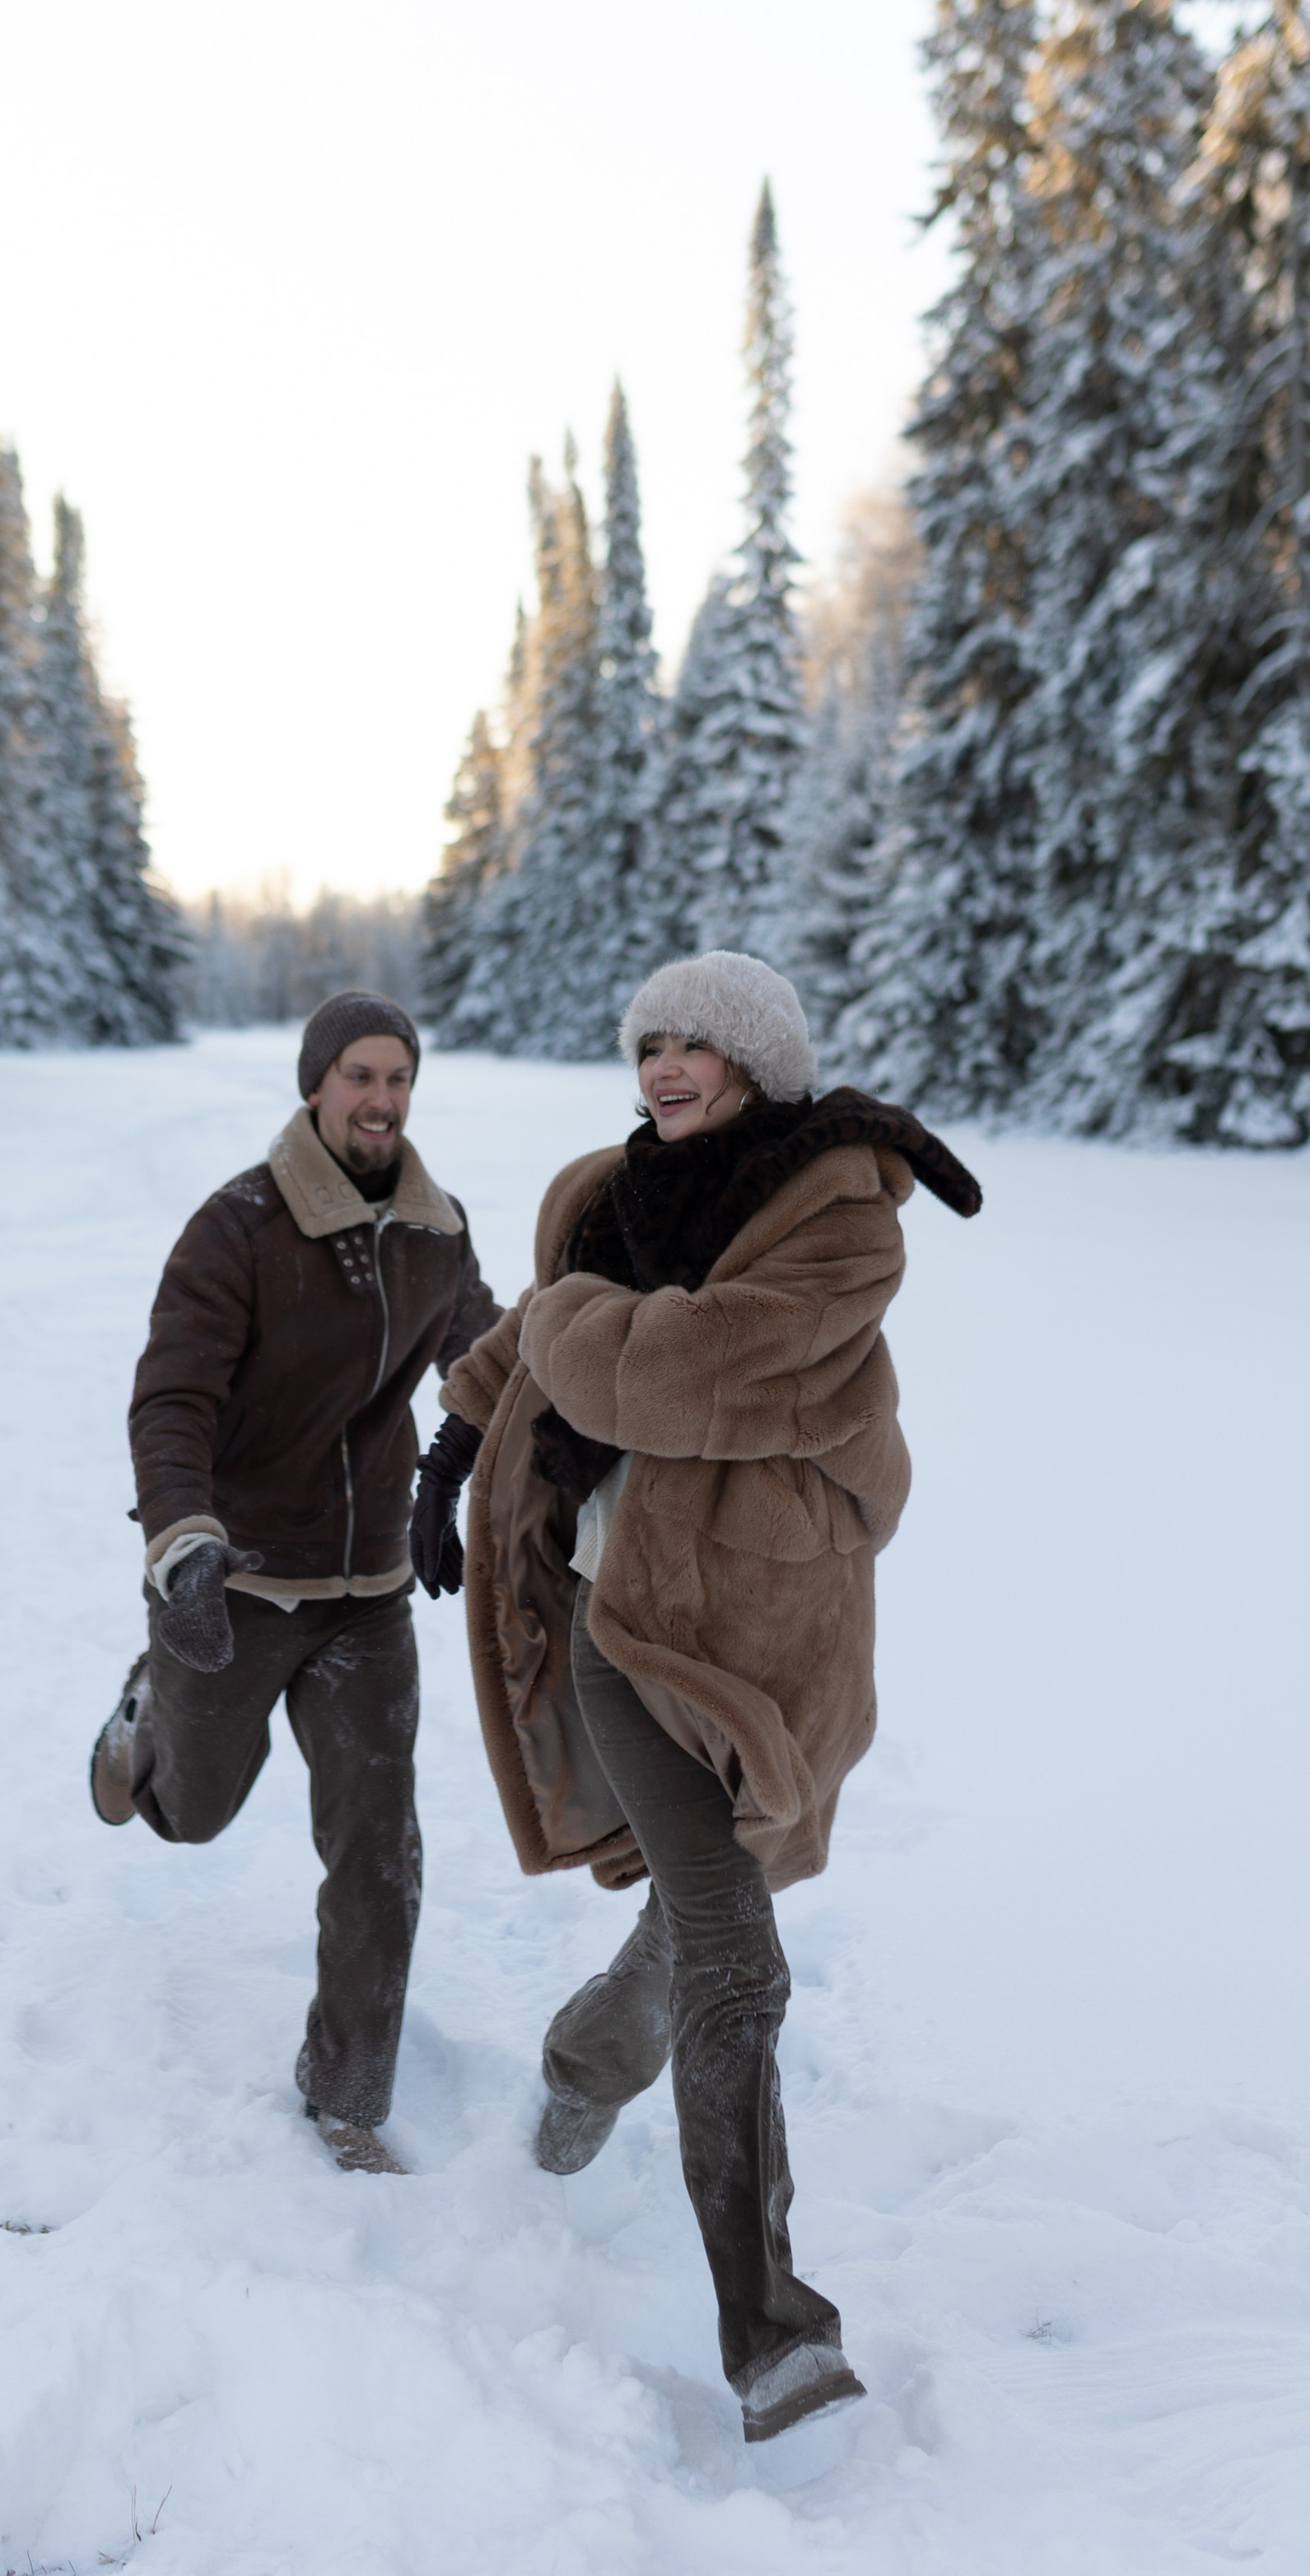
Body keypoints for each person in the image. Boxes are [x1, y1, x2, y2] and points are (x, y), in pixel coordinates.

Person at [415, 951, 981, 2441]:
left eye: (696, 1045)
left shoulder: (838, 1220)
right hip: (626, 1632)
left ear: (758, 1065)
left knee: (691, 1913)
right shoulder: (609, 1193)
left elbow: (652, 1379)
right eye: (649, 1040)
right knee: (737, 1950)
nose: (663, 1063)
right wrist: (453, 1446)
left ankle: (577, 2068)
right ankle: (777, 2341)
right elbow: (544, 1327)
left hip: (765, 1645)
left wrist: (564, 1330)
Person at [89, 991, 497, 2175]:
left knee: (379, 1842)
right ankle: (150, 1709)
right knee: (193, 1814)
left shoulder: (436, 1229)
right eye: (358, 1076)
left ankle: (349, 2094)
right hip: (239, 1575)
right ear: (315, 1086)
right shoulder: (240, 1227)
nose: (380, 1100)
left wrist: (553, 1414)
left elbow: (482, 1355)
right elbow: (172, 1399)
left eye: (398, 1079)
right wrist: (183, 1543)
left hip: (366, 1591)